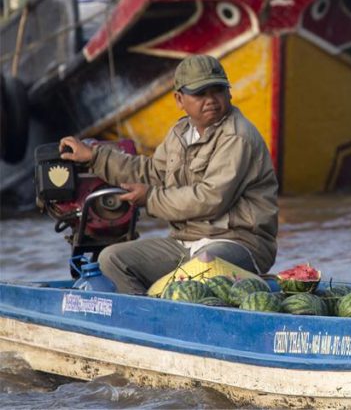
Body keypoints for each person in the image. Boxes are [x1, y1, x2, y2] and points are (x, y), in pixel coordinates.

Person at [59, 54, 279, 294]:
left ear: (229, 93)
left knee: (201, 268)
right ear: (179, 99)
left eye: (217, 90)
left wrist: (149, 198)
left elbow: (210, 198)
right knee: (111, 259)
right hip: (185, 243)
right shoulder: (179, 132)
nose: (211, 100)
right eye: (200, 93)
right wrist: (95, 157)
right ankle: (144, 322)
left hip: (239, 244)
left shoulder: (238, 137)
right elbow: (151, 172)